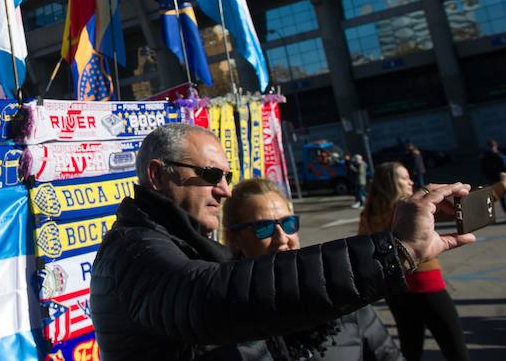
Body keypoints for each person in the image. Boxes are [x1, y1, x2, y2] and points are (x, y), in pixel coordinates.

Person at [90, 123, 474, 360]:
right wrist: (396, 250)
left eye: (227, 176)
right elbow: (207, 300)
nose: (224, 190)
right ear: (157, 175)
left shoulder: (189, 246)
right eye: (210, 174)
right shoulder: (130, 249)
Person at [224, 178, 402, 360]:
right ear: (233, 238)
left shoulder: (339, 289)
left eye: (288, 224)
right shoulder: (224, 312)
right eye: (263, 228)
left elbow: (387, 354)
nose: (283, 238)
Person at [359, 162, 467, 361]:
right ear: (390, 183)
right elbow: (454, 212)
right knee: (455, 348)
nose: (411, 181)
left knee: (410, 348)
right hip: (425, 283)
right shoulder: (407, 209)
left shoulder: (368, 214)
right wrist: (498, 189)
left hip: (394, 288)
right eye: (404, 177)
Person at [480, 139, 506, 213]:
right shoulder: (488, 156)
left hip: (498, 178)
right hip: (497, 178)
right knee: (500, 196)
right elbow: (484, 168)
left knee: (501, 196)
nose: (492, 148)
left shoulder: (499, 155)